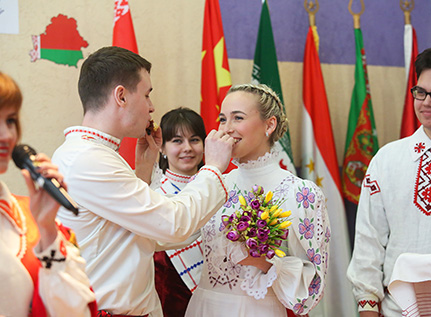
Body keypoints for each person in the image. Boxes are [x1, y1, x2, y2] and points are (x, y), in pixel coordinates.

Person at [51, 46, 234, 316]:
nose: (151, 107)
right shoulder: (88, 159)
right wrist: (215, 167)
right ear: (121, 96)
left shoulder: (92, 153)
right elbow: (172, 224)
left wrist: (144, 169)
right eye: (147, 94)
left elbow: (134, 232)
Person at [185, 84, 330, 317]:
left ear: (269, 125)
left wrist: (263, 262)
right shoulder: (212, 183)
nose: (227, 129)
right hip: (205, 307)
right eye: (223, 119)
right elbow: (171, 228)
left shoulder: (301, 193)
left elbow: (311, 289)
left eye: (238, 118)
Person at [347, 43, 431, 316]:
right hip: (395, 310)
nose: (426, 102)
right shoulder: (387, 159)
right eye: (420, 92)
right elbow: (369, 239)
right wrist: (367, 305)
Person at [0, 72, 97, 316]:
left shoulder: (29, 219)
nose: (6, 135)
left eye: (10, 120)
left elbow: (76, 311)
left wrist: (46, 229)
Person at [152, 107, 206, 317]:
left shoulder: (218, 189)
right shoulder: (153, 194)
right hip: (169, 303)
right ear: (162, 148)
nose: (188, 148)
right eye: (177, 141)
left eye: (194, 140)